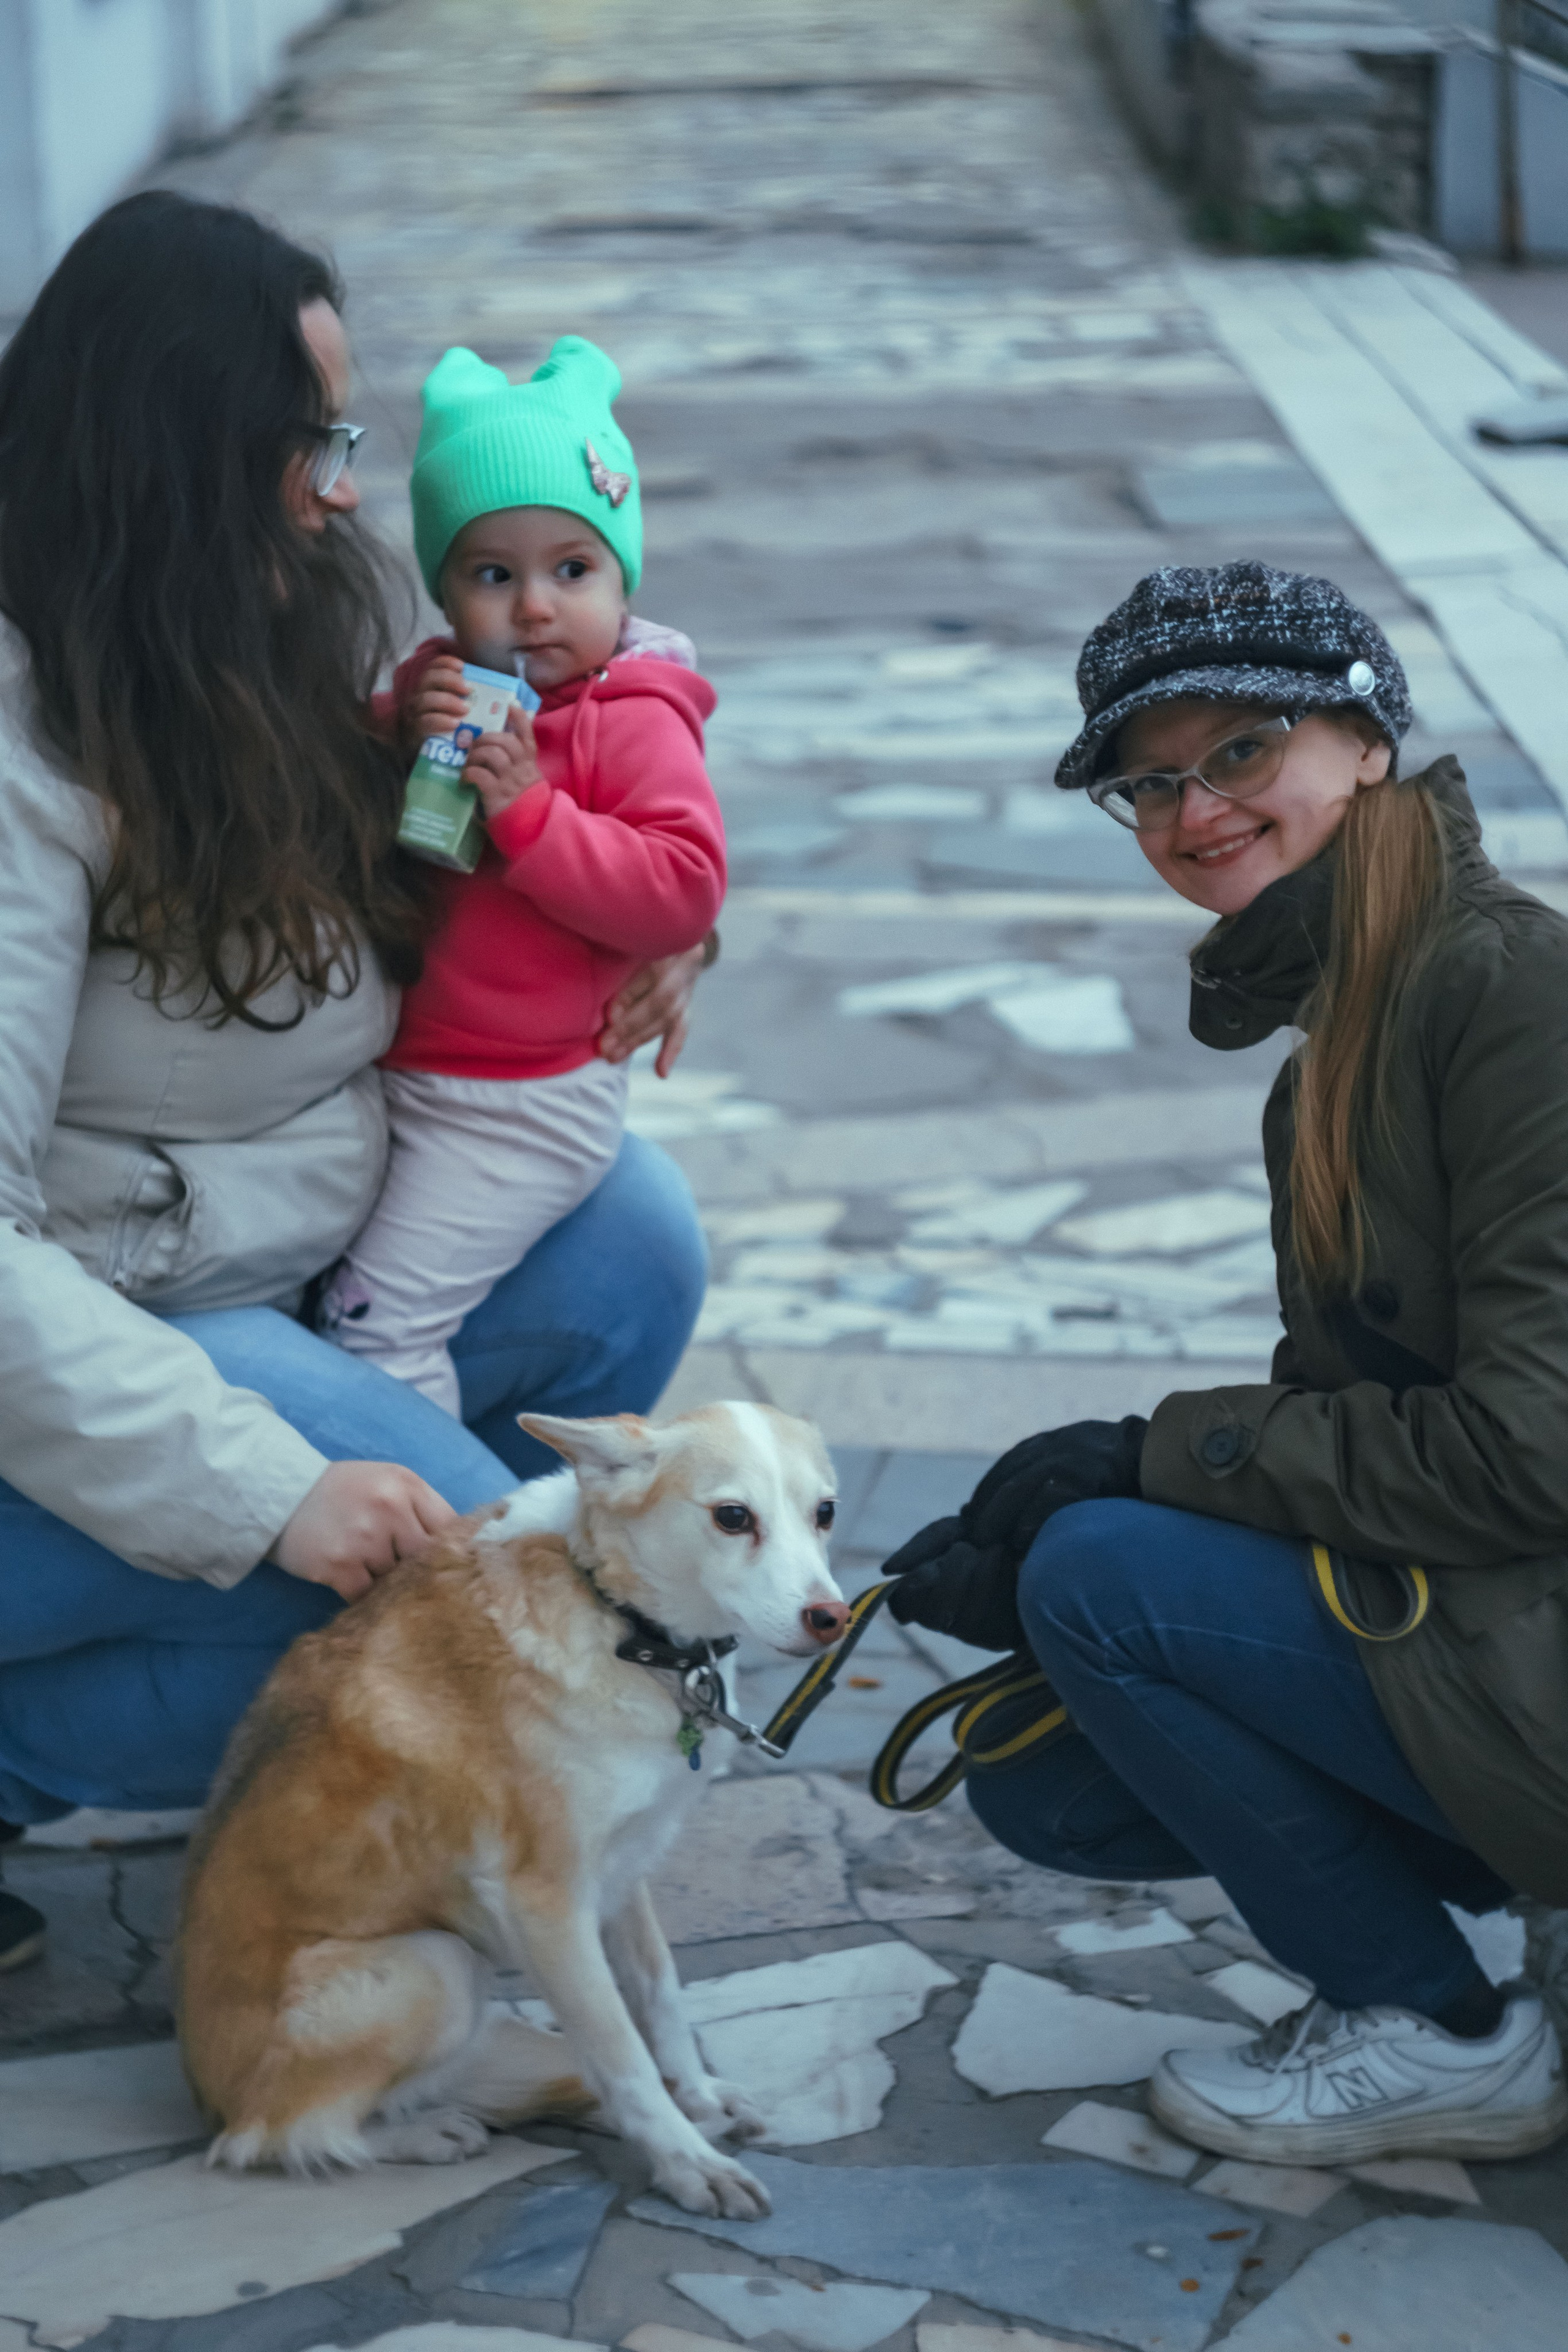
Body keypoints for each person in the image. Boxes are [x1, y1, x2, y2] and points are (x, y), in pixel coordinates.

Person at [0, 193, 713, 1966]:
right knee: (477, 1595)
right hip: (112, 1301)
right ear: (179, 450)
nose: (342, 484)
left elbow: (404, 911)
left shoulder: (253, 628)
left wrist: (632, 928)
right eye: (309, 438)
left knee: (629, 1237)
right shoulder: (18, 736)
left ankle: (298, 1677)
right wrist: (270, 1493)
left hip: (274, 1244)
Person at [886, 560, 1568, 2167]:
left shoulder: (1510, 994)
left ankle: (1441, 2032)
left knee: (1108, 1577)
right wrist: (1079, 1517)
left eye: (1244, 753)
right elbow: (1351, 1435)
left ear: (1368, 741)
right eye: (1153, 783)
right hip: (1508, 1615)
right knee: (1045, 1771)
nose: (1196, 814)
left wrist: (1146, 1466)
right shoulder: (1343, 1032)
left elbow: (1535, 1450)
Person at [318, 338, 725, 1412]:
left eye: (572, 570)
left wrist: (532, 820)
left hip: (518, 1101)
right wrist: (395, 737)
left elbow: (683, 887)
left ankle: (441, 1550)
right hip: (412, 1074)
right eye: (494, 575)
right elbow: (325, 806)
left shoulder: (628, 719)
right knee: (360, 1304)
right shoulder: (441, 686)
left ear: (621, 574)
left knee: (377, 1327)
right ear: (448, 589)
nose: (534, 608)